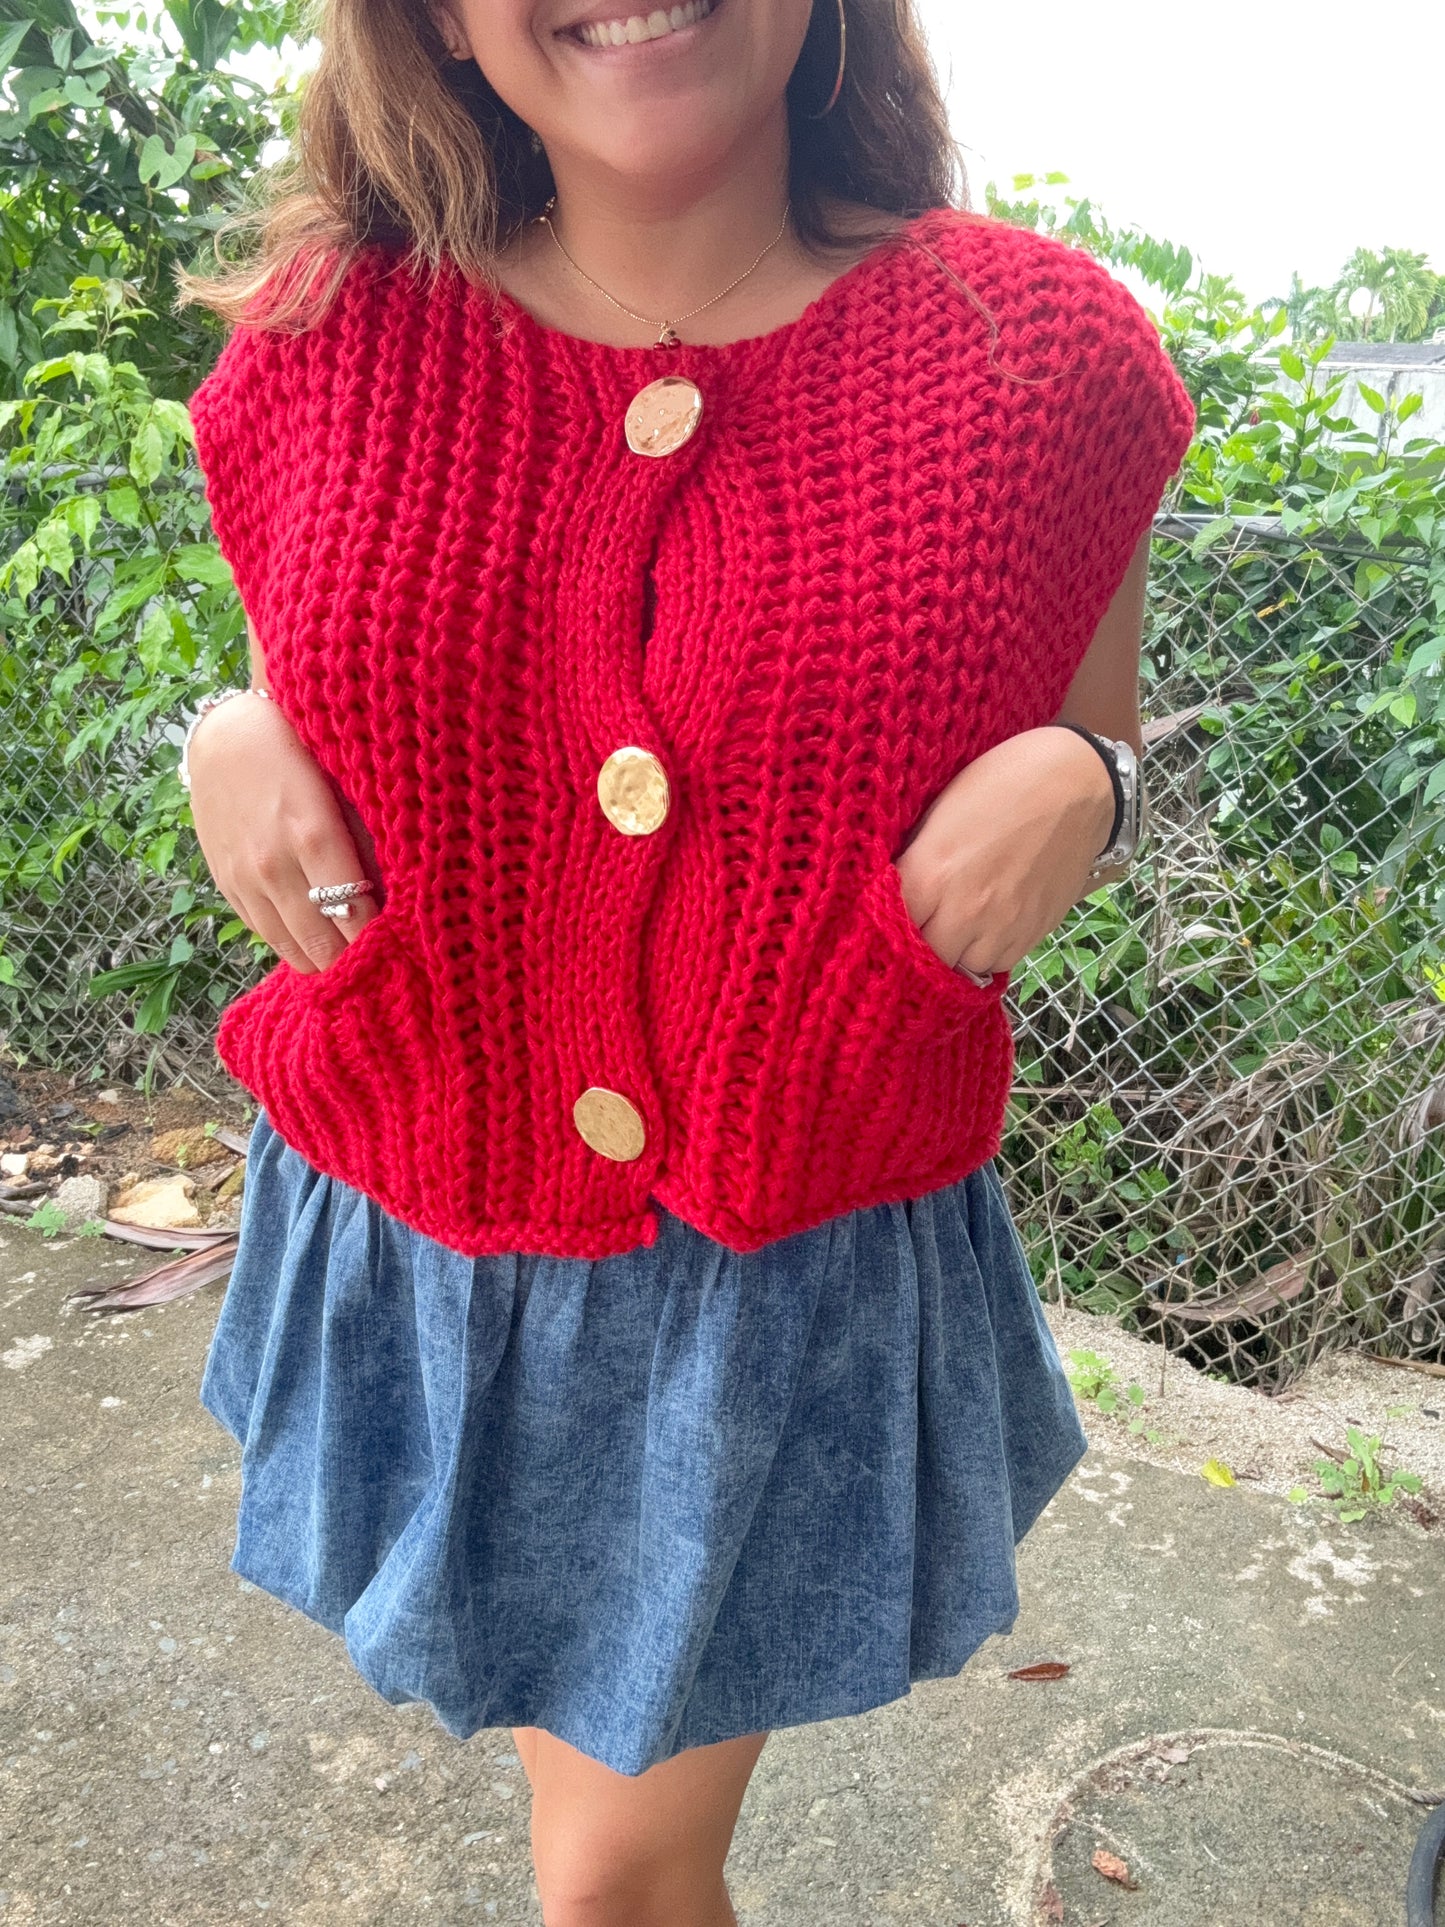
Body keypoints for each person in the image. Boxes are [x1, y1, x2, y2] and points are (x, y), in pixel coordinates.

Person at [174, 0, 1195, 1921]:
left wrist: (1093, 783)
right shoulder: (313, 349)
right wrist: (223, 732)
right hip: (419, 1222)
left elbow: (1102, 738)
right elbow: (341, 683)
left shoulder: (1047, 361)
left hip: (768, 1266)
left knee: (618, 1876)